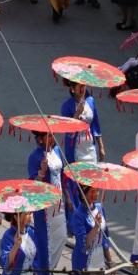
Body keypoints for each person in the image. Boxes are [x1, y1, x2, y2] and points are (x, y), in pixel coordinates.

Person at [61, 81, 104, 231]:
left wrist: (101, 146)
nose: (82, 88)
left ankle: (90, 217)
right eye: (79, 86)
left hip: (89, 146)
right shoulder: (66, 106)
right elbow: (68, 130)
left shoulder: (90, 101)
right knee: (75, 185)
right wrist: (77, 114)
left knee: (91, 182)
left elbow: (95, 124)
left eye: (84, 85)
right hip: (75, 149)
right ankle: (74, 222)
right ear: (72, 88)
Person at [27, 131, 68, 275]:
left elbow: (61, 176)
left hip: (59, 202)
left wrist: (68, 197)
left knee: (62, 236)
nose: (52, 138)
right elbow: (32, 183)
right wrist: (41, 172)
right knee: (44, 240)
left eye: (52, 135)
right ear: (40, 138)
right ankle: (42, 274)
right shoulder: (35, 157)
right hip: (44, 204)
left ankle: (48, 268)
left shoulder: (56, 151)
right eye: (48, 136)